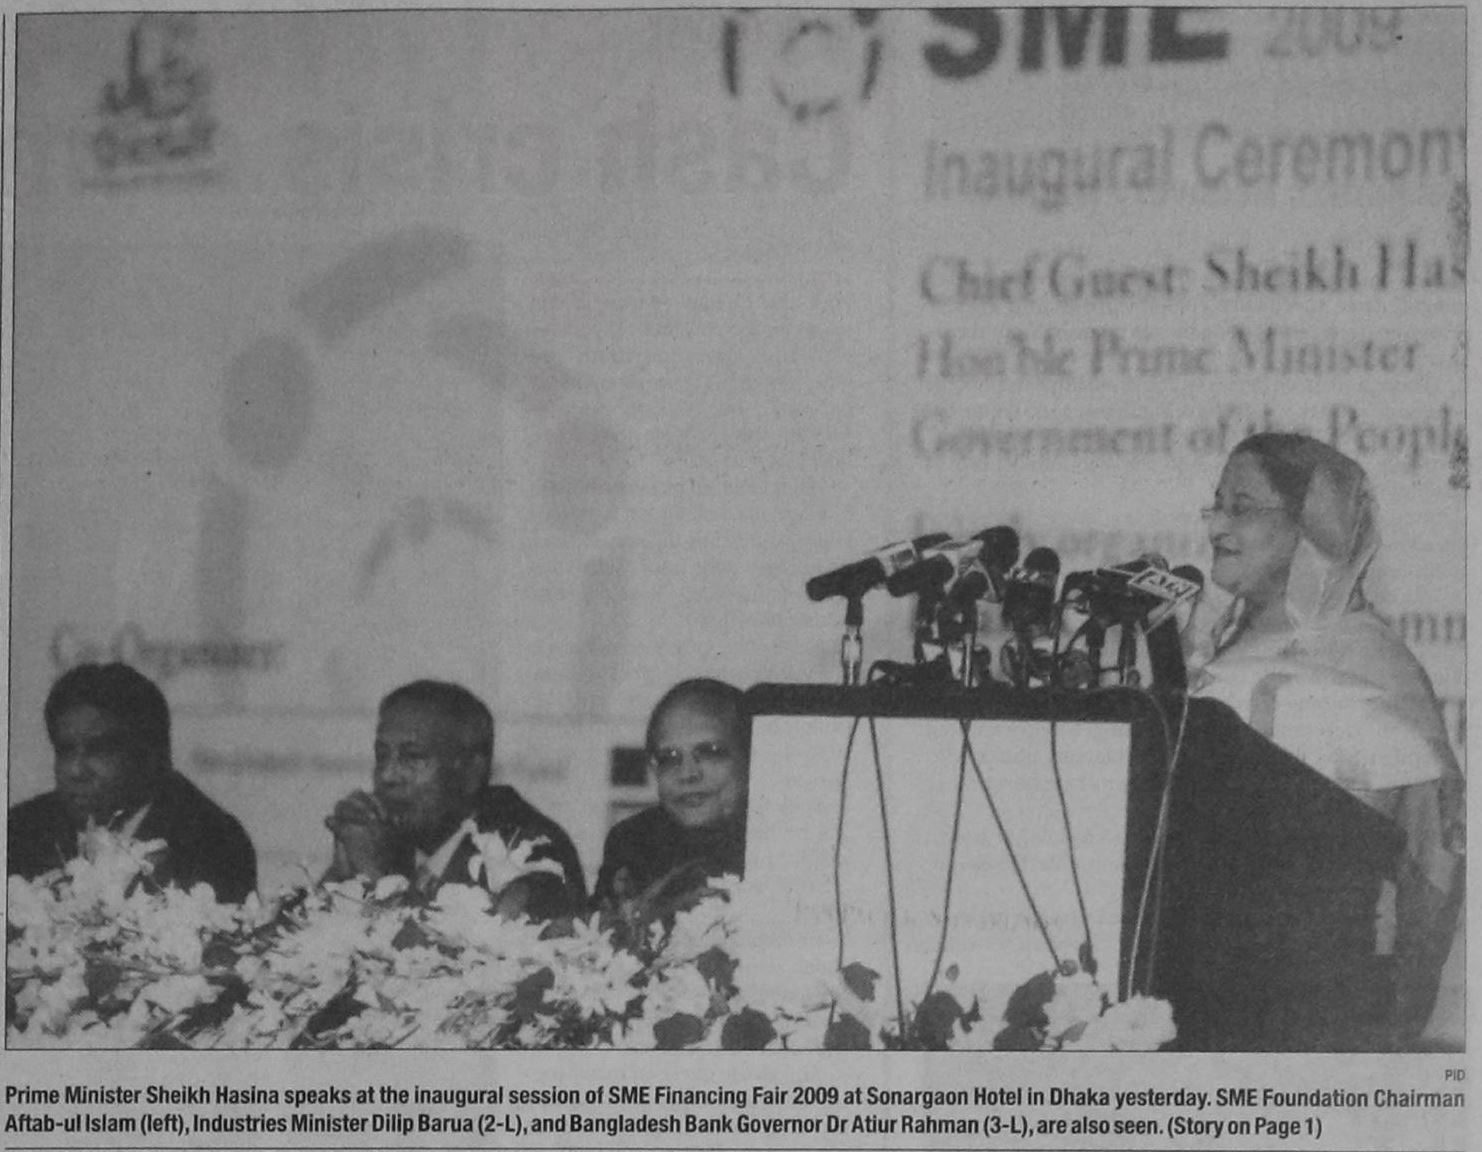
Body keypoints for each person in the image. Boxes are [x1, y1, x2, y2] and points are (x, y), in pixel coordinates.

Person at [1189, 433, 1464, 1045]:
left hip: (1322, 1002)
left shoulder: (1371, 661)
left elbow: (1432, 857)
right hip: (1198, 985)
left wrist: (1395, 1024)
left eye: (1242, 507)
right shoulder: (1207, 653)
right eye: (1217, 506)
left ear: (1310, 527)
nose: (1216, 527)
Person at [322, 679, 586, 919]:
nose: (387, 775)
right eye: (382, 756)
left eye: (412, 757)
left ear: (471, 771)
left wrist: (377, 877)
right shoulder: (392, 839)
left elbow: (466, 954)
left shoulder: (531, 848)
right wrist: (341, 879)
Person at [8, 662, 257, 903]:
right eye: (65, 750)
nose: (75, 770)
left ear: (148, 755)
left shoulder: (215, 842)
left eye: (98, 750)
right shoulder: (20, 830)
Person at [593, 678, 749, 909]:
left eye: (710, 752)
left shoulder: (783, 840)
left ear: (750, 758)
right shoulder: (632, 843)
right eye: (669, 758)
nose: (687, 774)